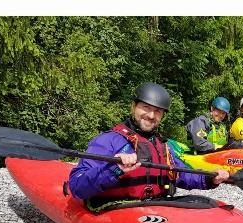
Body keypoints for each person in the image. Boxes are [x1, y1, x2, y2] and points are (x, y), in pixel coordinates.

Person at [68, 83, 228, 207]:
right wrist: (115, 169)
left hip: (154, 206)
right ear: (134, 107)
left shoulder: (161, 145)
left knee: (203, 202)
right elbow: (76, 186)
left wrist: (210, 178)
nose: (151, 115)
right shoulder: (108, 141)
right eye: (146, 107)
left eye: (158, 111)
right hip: (117, 208)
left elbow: (182, 173)